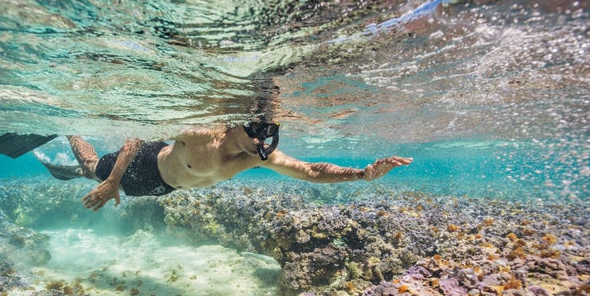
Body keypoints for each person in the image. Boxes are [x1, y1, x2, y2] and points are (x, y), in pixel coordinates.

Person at [44, 122, 412, 211]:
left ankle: (66, 172)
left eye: (269, 131)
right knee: (91, 167)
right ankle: (69, 133)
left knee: (82, 175)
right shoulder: (203, 134)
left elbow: (313, 170)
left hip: (165, 188)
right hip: (140, 166)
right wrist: (111, 181)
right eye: (255, 129)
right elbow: (135, 137)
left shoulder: (259, 158)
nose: (261, 139)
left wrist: (361, 174)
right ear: (237, 123)